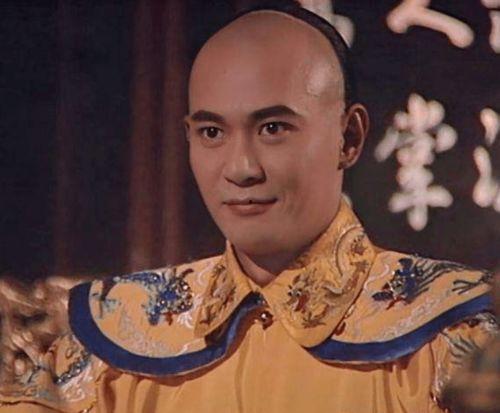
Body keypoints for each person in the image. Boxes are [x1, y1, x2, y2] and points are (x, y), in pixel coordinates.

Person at [0, 2, 496, 412]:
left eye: (273, 128)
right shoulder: (109, 346)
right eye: (212, 132)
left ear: (349, 137)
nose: (240, 168)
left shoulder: (456, 335)